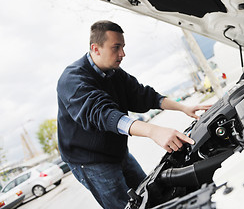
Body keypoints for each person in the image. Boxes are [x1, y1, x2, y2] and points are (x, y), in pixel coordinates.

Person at [56, 20, 211, 209]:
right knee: (125, 206)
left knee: (150, 194)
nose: (123, 54)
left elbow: (144, 95)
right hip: (91, 161)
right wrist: (153, 131)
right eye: (116, 47)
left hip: (118, 152)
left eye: (123, 47)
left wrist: (184, 108)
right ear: (95, 49)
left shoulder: (115, 73)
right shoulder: (72, 80)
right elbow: (102, 114)